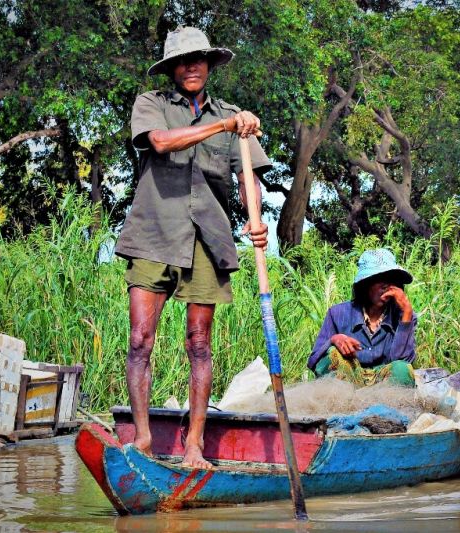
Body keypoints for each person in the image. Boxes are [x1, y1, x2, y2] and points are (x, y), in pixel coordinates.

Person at [114, 26, 272, 468]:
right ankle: (143, 441)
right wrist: (222, 125)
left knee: (199, 343)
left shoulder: (233, 117)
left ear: (209, 65)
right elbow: (161, 143)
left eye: (199, 59)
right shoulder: (153, 105)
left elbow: (248, 180)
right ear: (171, 69)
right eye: (183, 61)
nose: (192, 67)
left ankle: (194, 447)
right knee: (140, 340)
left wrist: (256, 222)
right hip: (153, 236)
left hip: (209, 238)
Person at [307, 249, 417, 387]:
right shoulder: (337, 313)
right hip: (348, 381)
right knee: (332, 353)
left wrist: (406, 313)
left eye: (391, 280)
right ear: (365, 284)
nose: (386, 286)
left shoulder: (403, 317)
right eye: (379, 279)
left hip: (383, 384)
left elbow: (403, 364)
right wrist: (333, 340)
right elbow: (314, 361)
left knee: (401, 368)